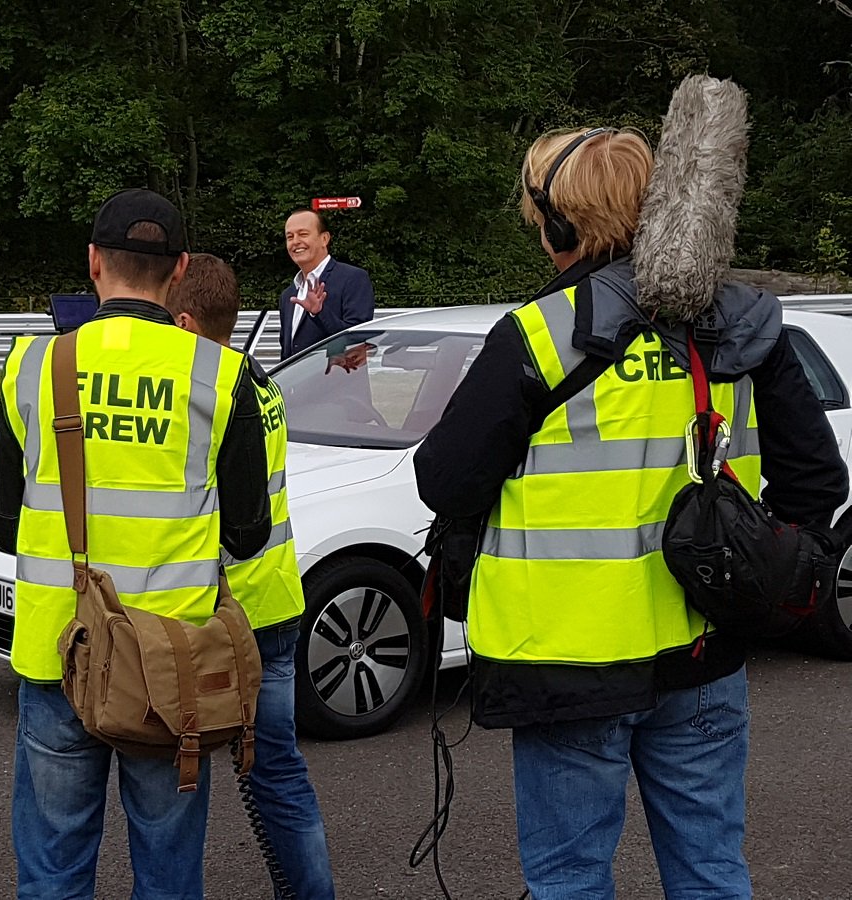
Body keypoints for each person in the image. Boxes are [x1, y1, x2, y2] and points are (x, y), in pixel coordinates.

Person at [412, 90, 848, 899]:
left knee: (571, 881)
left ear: (560, 226)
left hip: (566, 665)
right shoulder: (744, 326)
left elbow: (444, 479)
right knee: (712, 873)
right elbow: (818, 481)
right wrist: (765, 569)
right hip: (705, 651)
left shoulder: (541, 333)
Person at [0, 189, 271, 899]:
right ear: (180, 270)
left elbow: (2, 521)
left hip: (57, 648)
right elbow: (248, 533)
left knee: (53, 869)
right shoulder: (221, 373)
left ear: (93, 262)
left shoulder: (33, 364)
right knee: (169, 872)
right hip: (170, 663)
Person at [166, 253, 337, 900]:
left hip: (221, 610)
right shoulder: (258, 381)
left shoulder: (202, 397)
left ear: (185, 323)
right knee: (276, 772)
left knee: (182, 768)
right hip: (276, 602)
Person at [280, 209, 374, 359]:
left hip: (339, 373)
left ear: (324, 238)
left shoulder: (353, 278)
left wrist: (319, 313)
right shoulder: (288, 295)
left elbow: (357, 338)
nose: (295, 241)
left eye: (303, 234)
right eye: (290, 237)